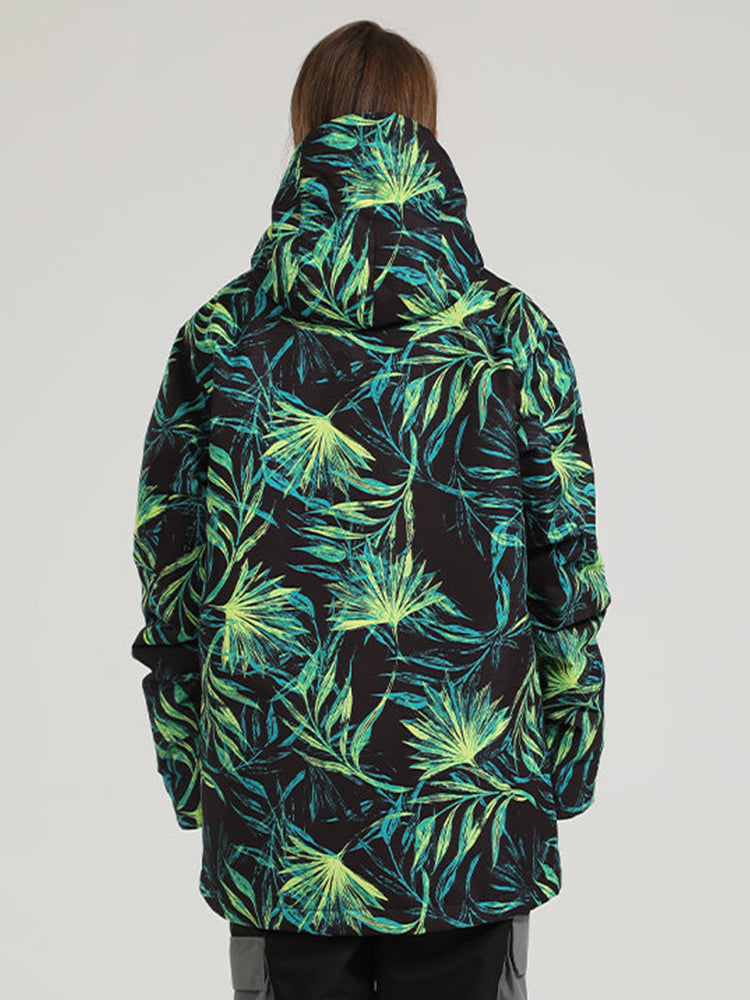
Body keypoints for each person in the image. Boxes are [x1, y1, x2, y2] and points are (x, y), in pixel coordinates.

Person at [130, 18, 612, 1000]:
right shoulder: (511, 335)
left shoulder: (221, 340)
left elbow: (170, 581)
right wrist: (564, 768)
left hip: (280, 813)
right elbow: (567, 576)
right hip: (471, 813)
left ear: (302, 127)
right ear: (425, 129)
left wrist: (193, 773)